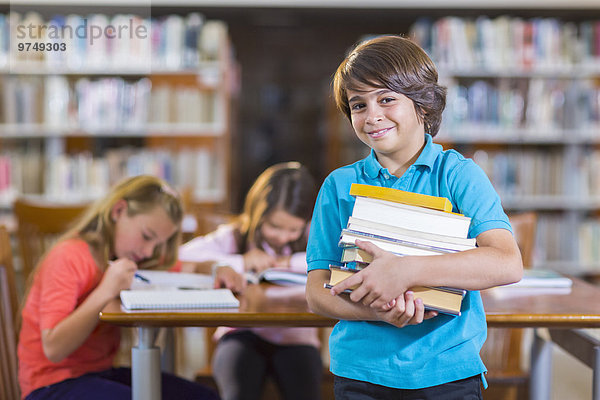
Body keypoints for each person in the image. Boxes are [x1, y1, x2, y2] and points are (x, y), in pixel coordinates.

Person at [305, 35, 523, 399]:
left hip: (448, 370)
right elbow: (317, 292)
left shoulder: (458, 175)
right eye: (358, 105)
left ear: (422, 103)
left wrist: (406, 271)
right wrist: (382, 311)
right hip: (361, 372)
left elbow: (507, 263)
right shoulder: (338, 186)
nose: (372, 115)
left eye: (386, 99)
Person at [18, 175, 219, 400]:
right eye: (146, 236)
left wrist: (214, 269)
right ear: (118, 211)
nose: (148, 252)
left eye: (158, 245)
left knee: (204, 397)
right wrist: (106, 290)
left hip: (98, 374)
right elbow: (54, 348)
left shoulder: (124, 258)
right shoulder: (69, 256)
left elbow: (182, 268)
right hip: (50, 386)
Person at [179, 162, 322, 400]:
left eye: (293, 230)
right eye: (274, 226)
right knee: (238, 388)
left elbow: (338, 262)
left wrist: (289, 262)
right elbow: (182, 256)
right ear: (257, 213)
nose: (282, 236)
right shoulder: (236, 235)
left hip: (296, 338)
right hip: (240, 333)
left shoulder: (312, 239)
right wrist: (241, 261)